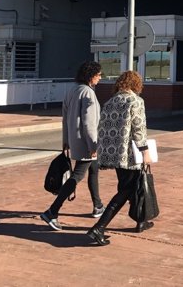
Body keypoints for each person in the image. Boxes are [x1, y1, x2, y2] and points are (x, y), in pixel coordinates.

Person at [87, 70, 153, 246]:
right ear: (136, 84)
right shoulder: (136, 101)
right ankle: (99, 227)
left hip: (113, 153)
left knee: (130, 187)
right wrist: (145, 151)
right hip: (130, 154)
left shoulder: (110, 102)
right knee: (126, 191)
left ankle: (141, 220)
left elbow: (102, 128)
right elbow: (139, 128)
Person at [40, 61, 105, 231]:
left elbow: (65, 117)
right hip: (86, 142)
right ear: (91, 76)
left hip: (75, 140)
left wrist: (66, 140)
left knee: (94, 169)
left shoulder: (72, 90)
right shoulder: (88, 94)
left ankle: (98, 205)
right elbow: (89, 123)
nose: (100, 78)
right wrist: (93, 145)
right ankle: (52, 211)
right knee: (77, 175)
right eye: (98, 75)